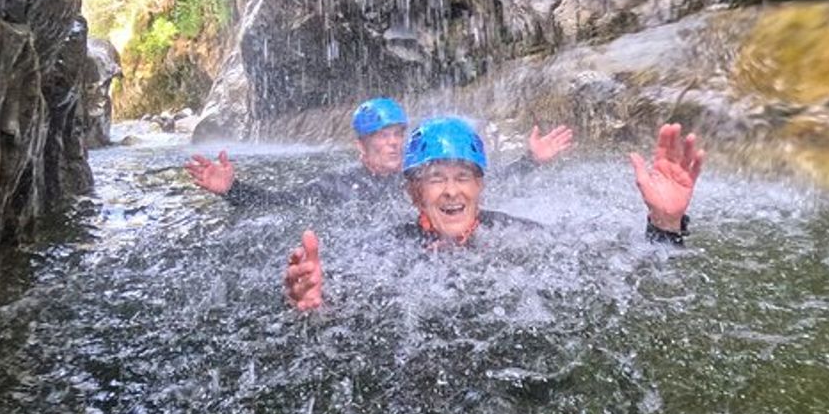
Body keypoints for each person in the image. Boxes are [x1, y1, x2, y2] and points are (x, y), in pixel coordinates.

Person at [284, 118, 705, 311]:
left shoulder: (521, 235)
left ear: (480, 186)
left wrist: (665, 227)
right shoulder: (384, 249)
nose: (451, 190)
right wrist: (318, 307)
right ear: (414, 192)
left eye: (463, 176)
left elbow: (627, 281)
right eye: (435, 179)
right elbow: (347, 302)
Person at [185, 97, 575, 209]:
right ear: (361, 146)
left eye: (397, 134)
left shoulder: (425, 176)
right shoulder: (336, 187)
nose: (393, 143)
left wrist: (530, 162)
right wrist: (233, 190)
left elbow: (483, 184)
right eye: (381, 137)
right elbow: (281, 203)